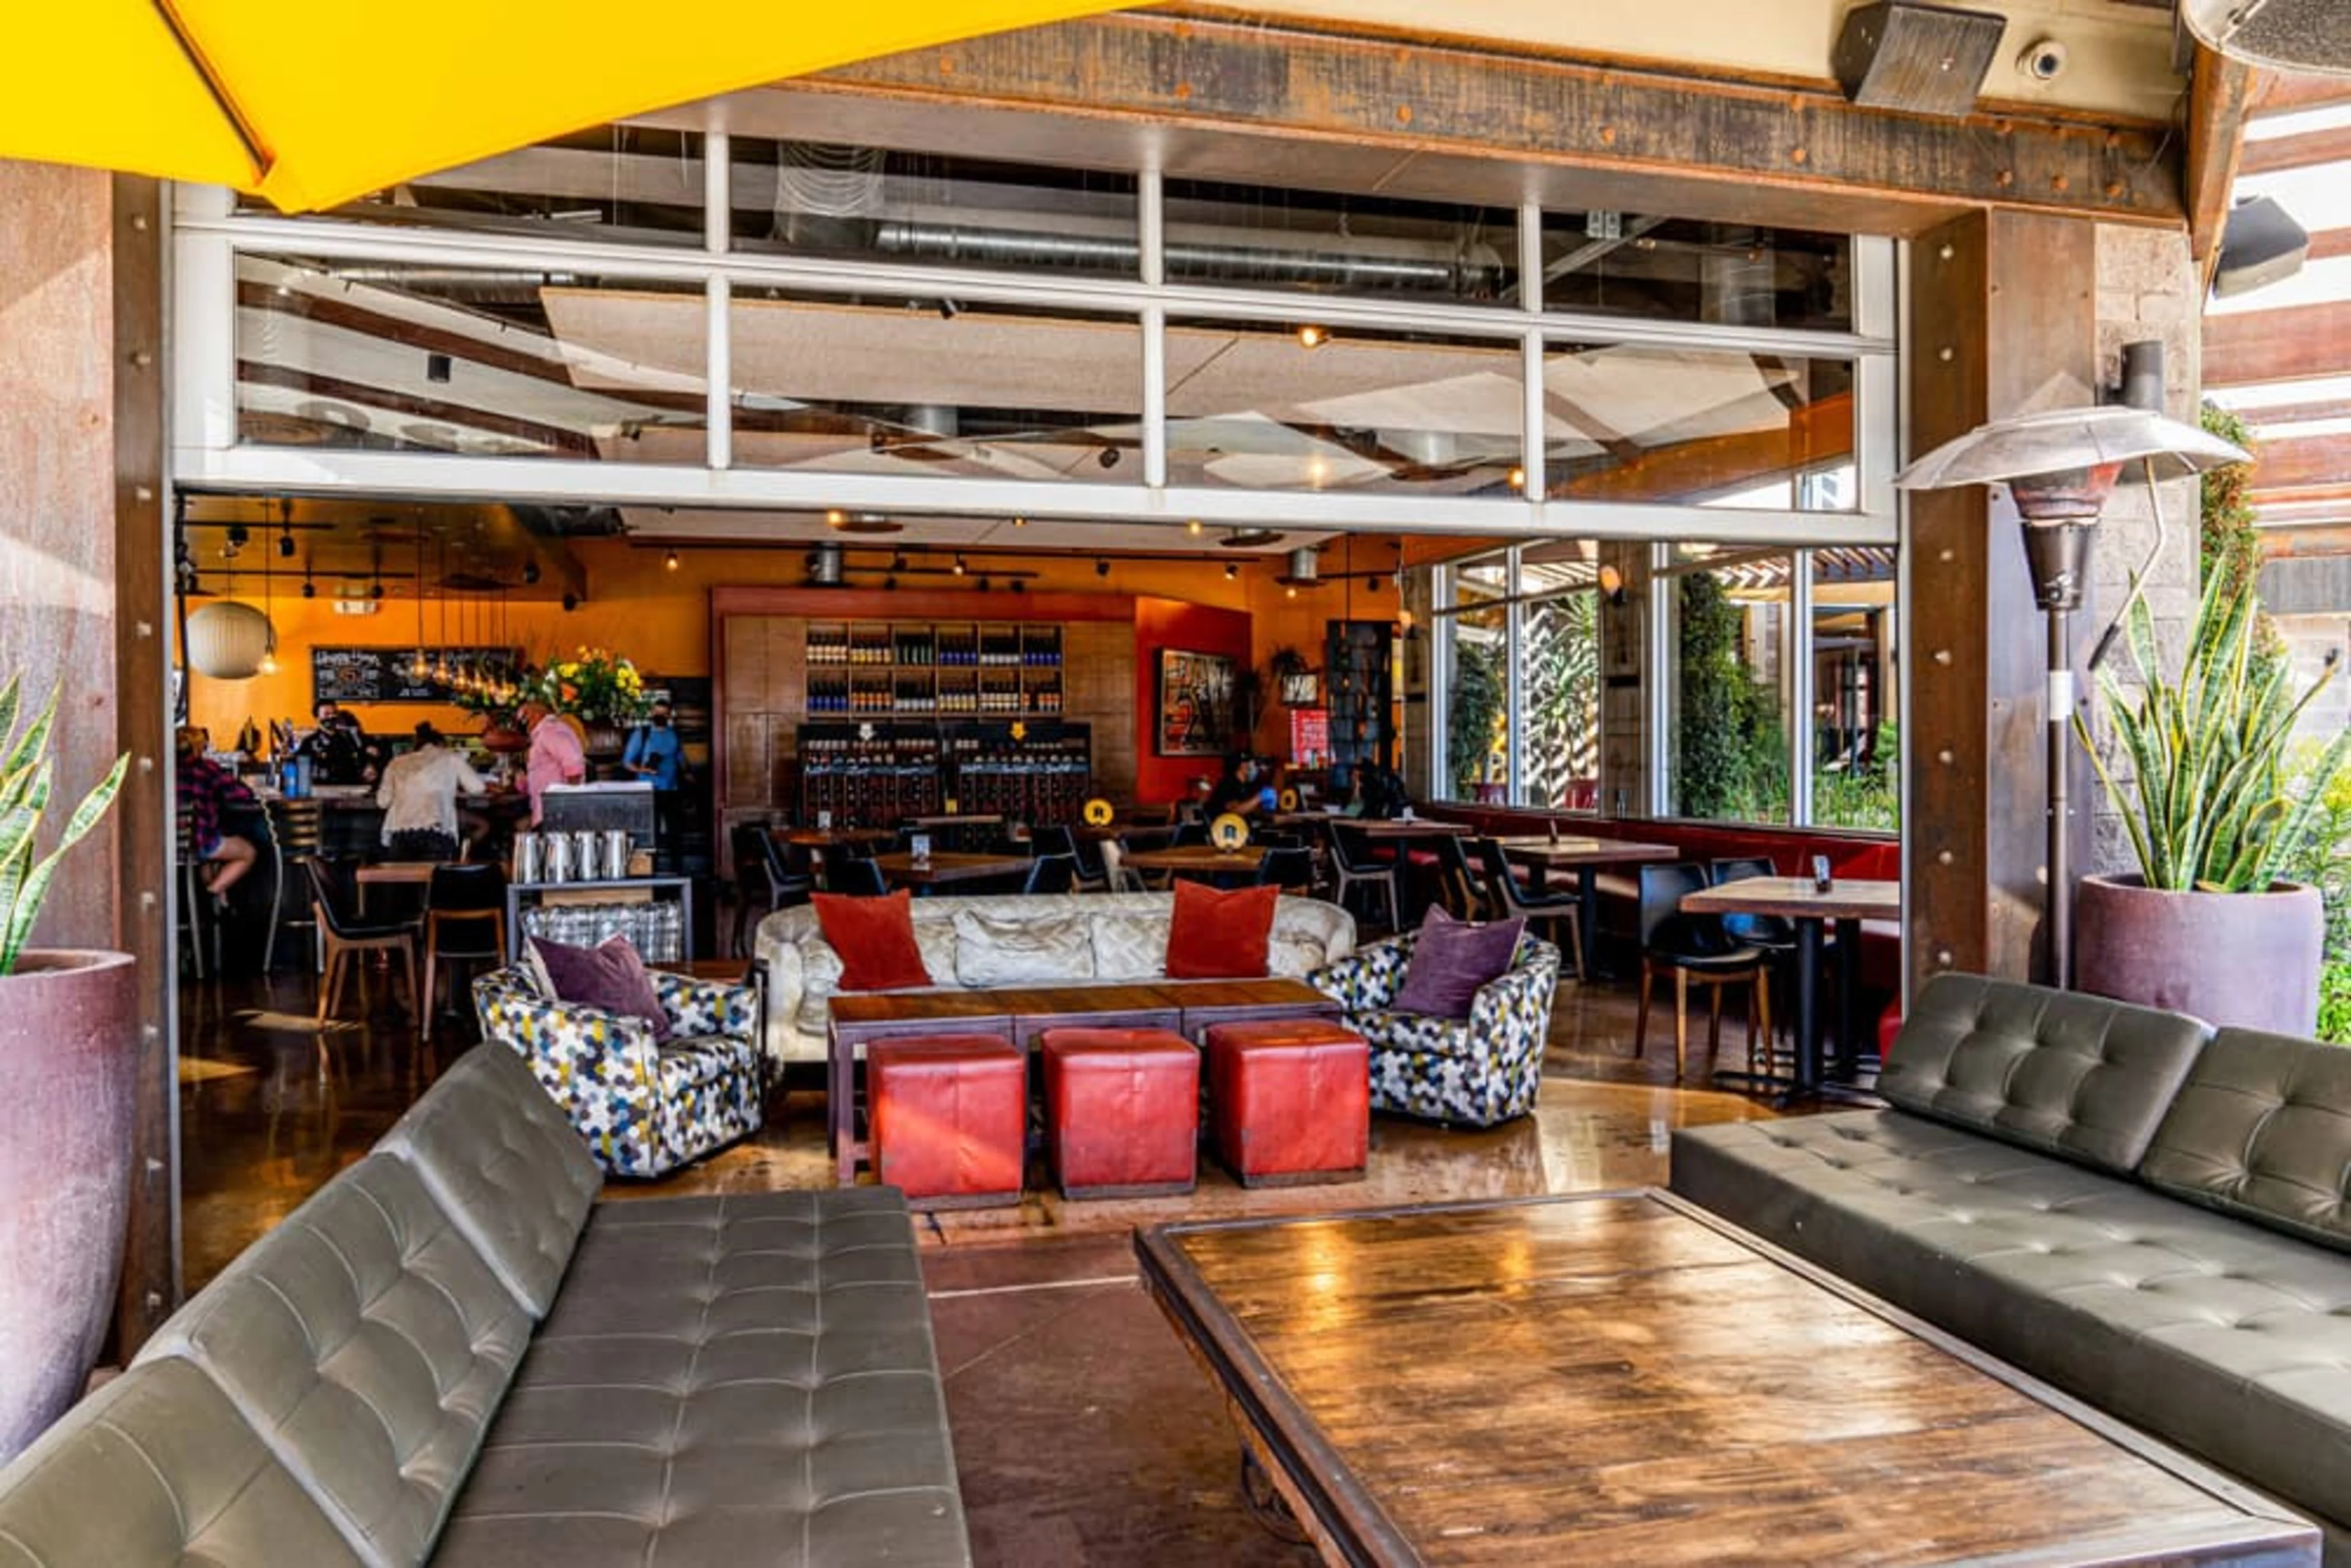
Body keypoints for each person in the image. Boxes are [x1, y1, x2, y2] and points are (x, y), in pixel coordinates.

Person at [375, 721, 487, 861]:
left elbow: (382, 802)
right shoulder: (451, 758)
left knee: (404, 880)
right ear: (440, 744)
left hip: (401, 834)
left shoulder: (397, 763)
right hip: (437, 832)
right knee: (436, 879)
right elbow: (478, 788)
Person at [175, 726, 259, 899]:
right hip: (199, 843)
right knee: (248, 853)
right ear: (200, 747)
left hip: (167, 845)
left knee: (209, 863)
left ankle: (216, 912)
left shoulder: (164, 771)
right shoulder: (207, 768)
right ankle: (208, 897)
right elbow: (242, 795)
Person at [623, 702, 685, 850]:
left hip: (671, 788)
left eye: (664, 713)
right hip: (648, 789)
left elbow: (680, 758)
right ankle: (652, 863)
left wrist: (687, 774)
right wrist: (643, 769)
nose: (660, 716)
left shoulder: (674, 734)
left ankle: (677, 864)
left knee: (675, 829)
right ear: (652, 713)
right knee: (651, 829)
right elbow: (627, 762)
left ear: (669, 715)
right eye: (657, 713)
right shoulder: (642, 734)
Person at [518, 698, 585, 825]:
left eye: (525, 716)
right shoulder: (541, 734)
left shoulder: (550, 732)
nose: (523, 722)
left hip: (555, 811)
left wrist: (567, 801)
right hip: (545, 809)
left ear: (537, 714)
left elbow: (574, 766)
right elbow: (543, 771)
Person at [295, 699, 383, 787]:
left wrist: (370, 764)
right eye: (327, 714)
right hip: (322, 789)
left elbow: (367, 755)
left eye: (334, 713)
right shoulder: (310, 742)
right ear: (317, 718)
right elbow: (298, 765)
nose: (331, 717)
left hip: (351, 788)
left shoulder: (350, 739)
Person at [1205, 754, 1267, 819]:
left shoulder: (1249, 786)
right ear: (1241, 766)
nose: (1253, 768)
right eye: (1247, 764)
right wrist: (1260, 797)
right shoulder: (1227, 785)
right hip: (1225, 826)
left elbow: (1252, 809)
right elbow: (1237, 809)